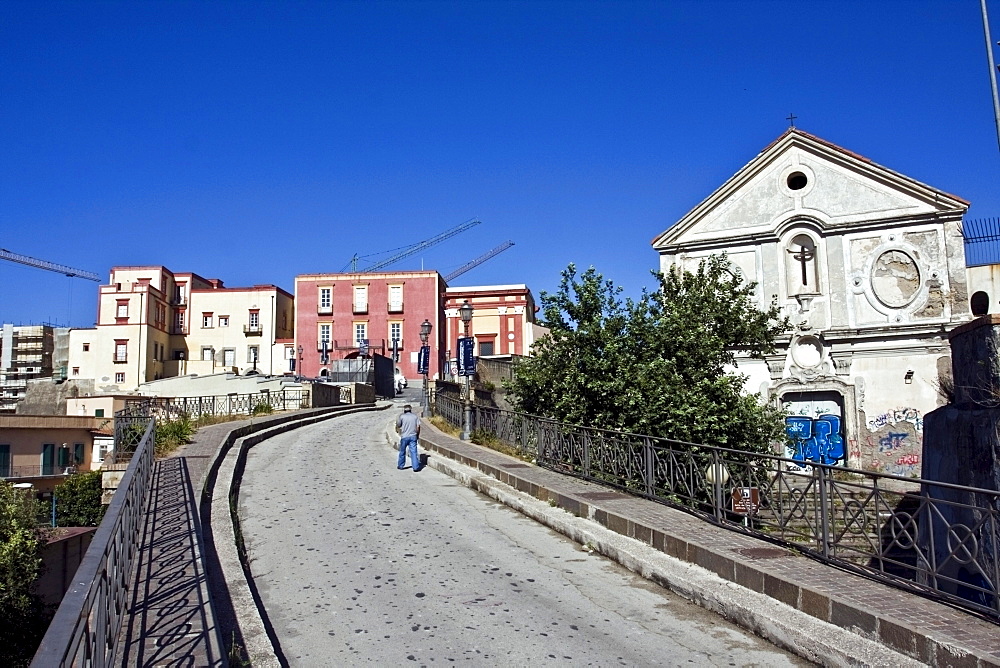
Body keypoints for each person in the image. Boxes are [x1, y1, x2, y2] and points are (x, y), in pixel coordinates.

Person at [396, 404, 421, 471]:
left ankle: (401, 465)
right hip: (413, 436)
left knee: (402, 451)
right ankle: (415, 467)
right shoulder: (415, 417)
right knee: (414, 452)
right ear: (410, 409)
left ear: (404, 410)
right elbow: (418, 427)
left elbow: (398, 425)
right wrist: (417, 435)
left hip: (404, 436)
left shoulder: (402, 416)